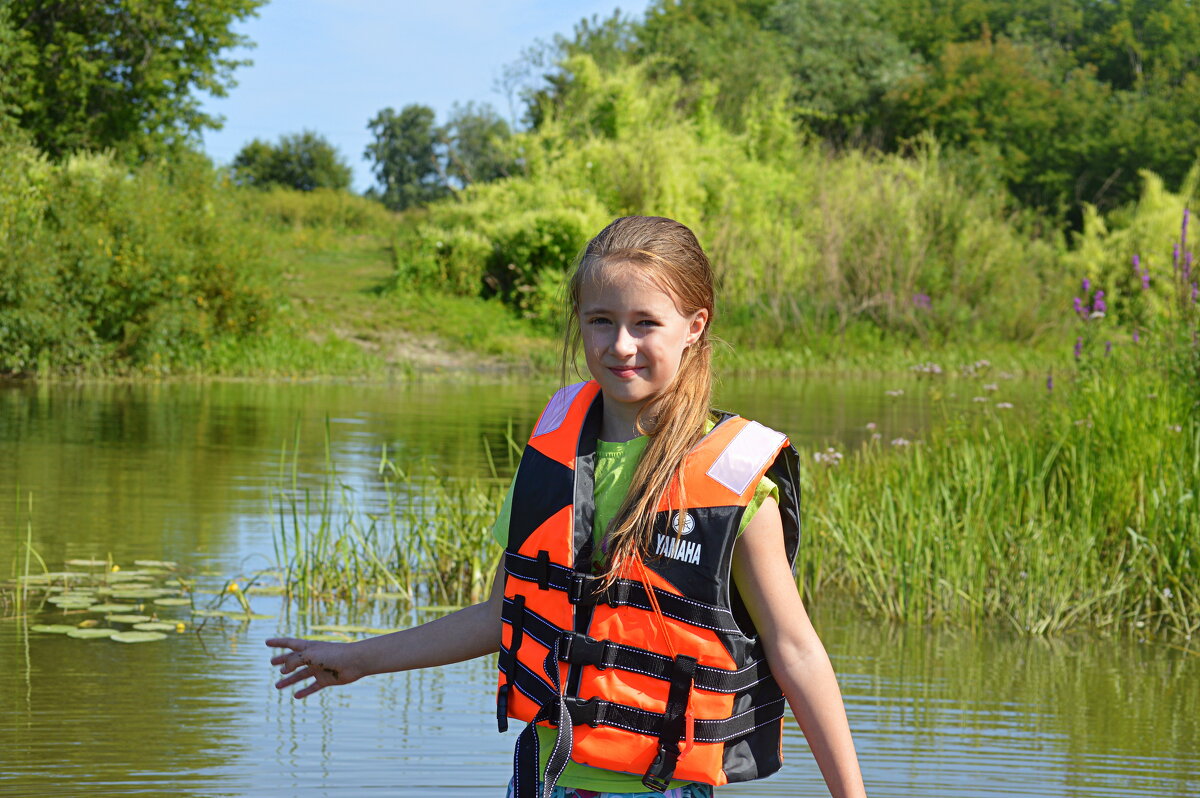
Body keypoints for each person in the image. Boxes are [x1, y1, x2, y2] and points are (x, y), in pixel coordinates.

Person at [267, 216, 868, 798]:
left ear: (694, 326)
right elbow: (504, 612)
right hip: (541, 779)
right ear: (578, 321)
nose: (620, 345)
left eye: (645, 323)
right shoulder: (555, 455)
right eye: (601, 321)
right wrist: (358, 659)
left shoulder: (735, 480)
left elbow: (796, 652)